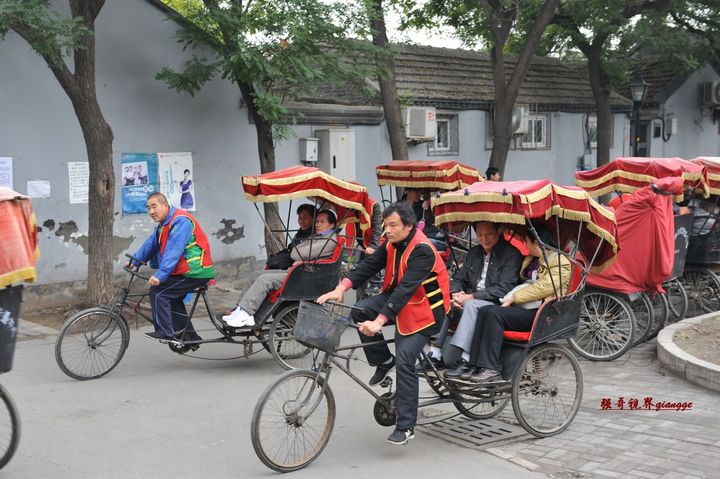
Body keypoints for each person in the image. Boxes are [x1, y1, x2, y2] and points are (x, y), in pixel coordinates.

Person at [317, 202, 450, 445]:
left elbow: (407, 289)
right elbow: (368, 266)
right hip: (399, 299)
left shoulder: (423, 250)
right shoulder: (391, 243)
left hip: (426, 311)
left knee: (407, 359)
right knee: (359, 310)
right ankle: (384, 360)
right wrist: (340, 288)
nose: (386, 230)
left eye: (392, 225)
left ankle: (406, 426)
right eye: (385, 225)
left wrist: (379, 321)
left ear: (409, 226)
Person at [459, 223, 571, 383]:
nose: (524, 245)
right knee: (486, 311)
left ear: (536, 242)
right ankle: (475, 363)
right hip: (523, 307)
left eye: (526, 241)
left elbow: (544, 287)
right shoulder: (531, 259)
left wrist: (514, 297)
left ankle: (491, 367)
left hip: (543, 312)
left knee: (495, 314)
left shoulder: (560, 262)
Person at [424, 222, 523, 375]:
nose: (484, 239)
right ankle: (435, 354)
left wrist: (471, 297)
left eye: (489, 234)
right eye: (480, 235)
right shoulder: (474, 252)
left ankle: (466, 359)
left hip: (494, 303)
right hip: (469, 298)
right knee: (444, 301)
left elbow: (504, 288)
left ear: (499, 232)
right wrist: (456, 294)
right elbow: (459, 278)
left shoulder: (512, 254)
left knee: (472, 306)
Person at [222, 209, 339, 328]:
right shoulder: (316, 236)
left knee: (265, 280)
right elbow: (298, 251)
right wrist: (300, 255)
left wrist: (300, 257)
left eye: (322, 222)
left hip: (307, 276)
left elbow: (296, 253)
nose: (318, 224)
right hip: (299, 271)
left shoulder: (330, 240)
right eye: (317, 221)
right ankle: (240, 309)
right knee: (255, 274)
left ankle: (246, 313)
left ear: (331, 224)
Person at [130, 192, 215, 343]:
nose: (151, 212)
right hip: (185, 270)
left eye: (154, 207)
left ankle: (165, 332)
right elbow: (152, 244)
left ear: (165, 205)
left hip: (195, 270)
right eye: (148, 208)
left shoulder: (180, 221)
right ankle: (190, 337)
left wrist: (160, 275)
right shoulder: (164, 224)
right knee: (171, 296)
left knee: (158, 292)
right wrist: (135, 260)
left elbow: (173, 250)